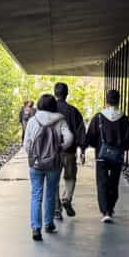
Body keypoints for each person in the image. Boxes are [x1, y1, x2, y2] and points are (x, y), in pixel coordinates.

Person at [22, 93, 73, 241]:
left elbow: (26, 144)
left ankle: (36, 228)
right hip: (53, 163)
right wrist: (61, 147)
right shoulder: (60, 119)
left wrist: (33, 155)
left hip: (36, 164)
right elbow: (69, 137)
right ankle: (48, 223)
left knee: (36, 195)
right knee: (51, 192)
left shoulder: (33, 120)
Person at [82, 89, 129, 223]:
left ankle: (105, 211)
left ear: (107, 100)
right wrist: (122, 147)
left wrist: (88, 147)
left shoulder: (98, 117)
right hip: (117, 156)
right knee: (114, 182)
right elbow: (128, 141)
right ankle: (110, 208)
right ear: (119, 100)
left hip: (101, 154)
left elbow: (90, 137)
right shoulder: (124, 118)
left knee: (102, 182)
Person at [52, 82, 85, 219]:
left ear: (55, 93)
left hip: (53, 151)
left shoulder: (50, 111)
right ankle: (67, 198)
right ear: (67, 94)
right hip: (69, 151)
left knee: (53, 179)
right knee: (70, 177)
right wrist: (82, 150)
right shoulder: (73, 111)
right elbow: (80, 131)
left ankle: (57, 209)